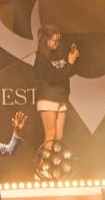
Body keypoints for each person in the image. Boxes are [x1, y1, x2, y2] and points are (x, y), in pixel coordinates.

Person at [33, 24, 80, 172]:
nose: (56, 43)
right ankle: (42, 167)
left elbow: (68, 72)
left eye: (58, 40)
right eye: (54, 40)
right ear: (46, 40)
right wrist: (69, 63)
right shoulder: (41, 58)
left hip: (61, 98)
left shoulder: (59, 55)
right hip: (48, 97)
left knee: (59, 135)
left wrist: (72, 60)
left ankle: (52, 166)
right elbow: (53, 77)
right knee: (51, 134)